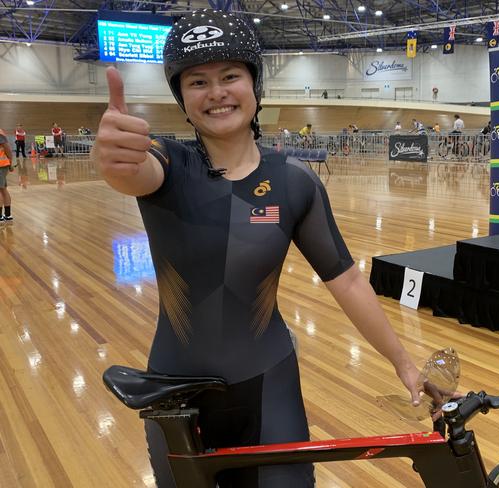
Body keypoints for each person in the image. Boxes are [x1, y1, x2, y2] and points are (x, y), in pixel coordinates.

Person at [91, 10, 427, 488]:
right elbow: (132, 171)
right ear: (182, 100)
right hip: (175, 397)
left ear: (254, 85)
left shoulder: (294, 182)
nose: (217, 92)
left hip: (269, 387)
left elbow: (347, 279)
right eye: (197, 81)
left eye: (231, 75)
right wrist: (112, 159)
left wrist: (404, 363)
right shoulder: (168, 162)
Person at [0, 129, 14, 223]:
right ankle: (7, 215)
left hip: (1, 165)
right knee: (3, 189)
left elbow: (7, 149)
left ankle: (0, 216)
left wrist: (10, 162)